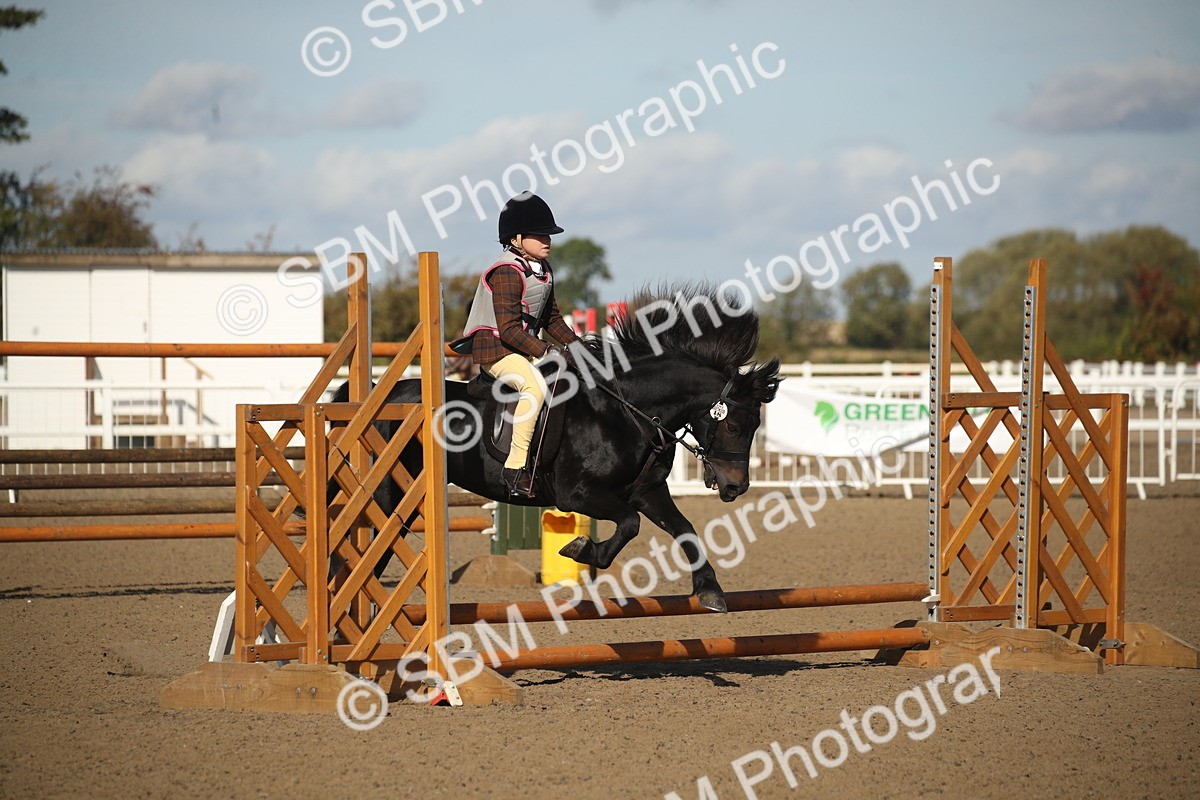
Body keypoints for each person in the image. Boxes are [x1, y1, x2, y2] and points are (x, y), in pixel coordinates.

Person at [456, 191, 580, 497]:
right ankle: (514, 469)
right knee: (534, 388)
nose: (547, 240)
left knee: (571, 381)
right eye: (540, 235)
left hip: (523, 349)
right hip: (497, 351)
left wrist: (580, 346)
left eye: (548, 234)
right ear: (517, 238)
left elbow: (552, 321)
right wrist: (547, 351)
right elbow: (509, 330)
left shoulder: (544, 271)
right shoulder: (506, 271)